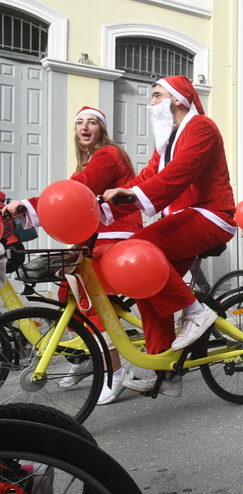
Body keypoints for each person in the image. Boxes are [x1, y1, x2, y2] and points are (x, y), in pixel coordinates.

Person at [102, 76, 237, 398]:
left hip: (213, 215)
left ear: (177, 100)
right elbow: (148, 177)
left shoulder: (201, 127)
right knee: (146, 284)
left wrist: (132, 195)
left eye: (156, 95)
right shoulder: (167, 140)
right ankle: (168, 371)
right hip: (185, 217)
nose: (150, 103)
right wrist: (106, 204)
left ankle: (196, 312)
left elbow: (178, 176)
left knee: (140, 248)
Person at [3, 106, 143, 406]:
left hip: (116, 236)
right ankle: (83, 356)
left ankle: (117, 372)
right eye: (79, 122)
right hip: (95, 238)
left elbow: (74, 192)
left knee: (88, 299)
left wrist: (25, 205)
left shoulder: (108, 156)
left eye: (91, 122)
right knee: (67, 293)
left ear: (101, 129)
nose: (84, 127)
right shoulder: (87, 163)